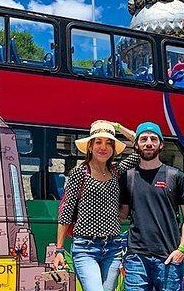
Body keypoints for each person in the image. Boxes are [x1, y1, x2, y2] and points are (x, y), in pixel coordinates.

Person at [53, 120, 138, 291]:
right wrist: (59, 250)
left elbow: (139, 147)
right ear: (90, 146)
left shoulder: (116, 171)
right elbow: (66, 212)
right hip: (85, 248)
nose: (103, 147)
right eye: (98, 142)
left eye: (108, 143)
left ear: (113, 148)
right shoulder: (79, 173)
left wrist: (119, 127)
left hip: (113, 248)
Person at [119, 122, 184, 291]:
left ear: (161, 144)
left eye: (153, 139)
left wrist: (182, 249)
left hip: (169, 257)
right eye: (143, 139)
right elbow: (122, 215)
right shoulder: (127, 177)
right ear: (136, 144)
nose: (148, 143)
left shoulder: (175, 176)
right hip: (136, 259)